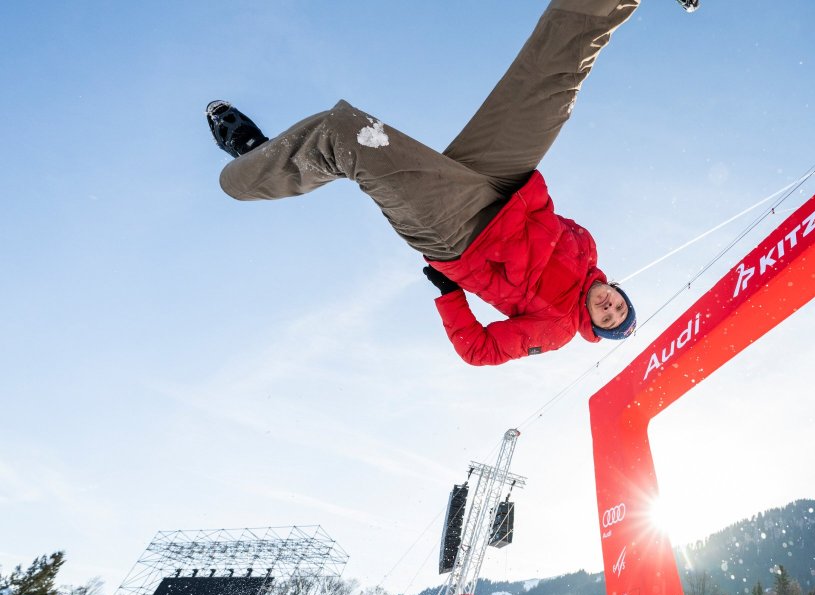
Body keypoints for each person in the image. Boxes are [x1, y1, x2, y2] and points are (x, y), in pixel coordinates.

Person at [205, 0, 672, 366]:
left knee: (347, 134)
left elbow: (481, 350)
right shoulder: (588, 248)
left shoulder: (556, 330)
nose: (609, 308)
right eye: (620, 306)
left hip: (460, 231)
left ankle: (250, 170)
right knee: (553, 82)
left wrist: (451, 295)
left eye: (607, 318)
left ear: (594, 324)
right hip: (506, 184)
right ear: (620, 292)